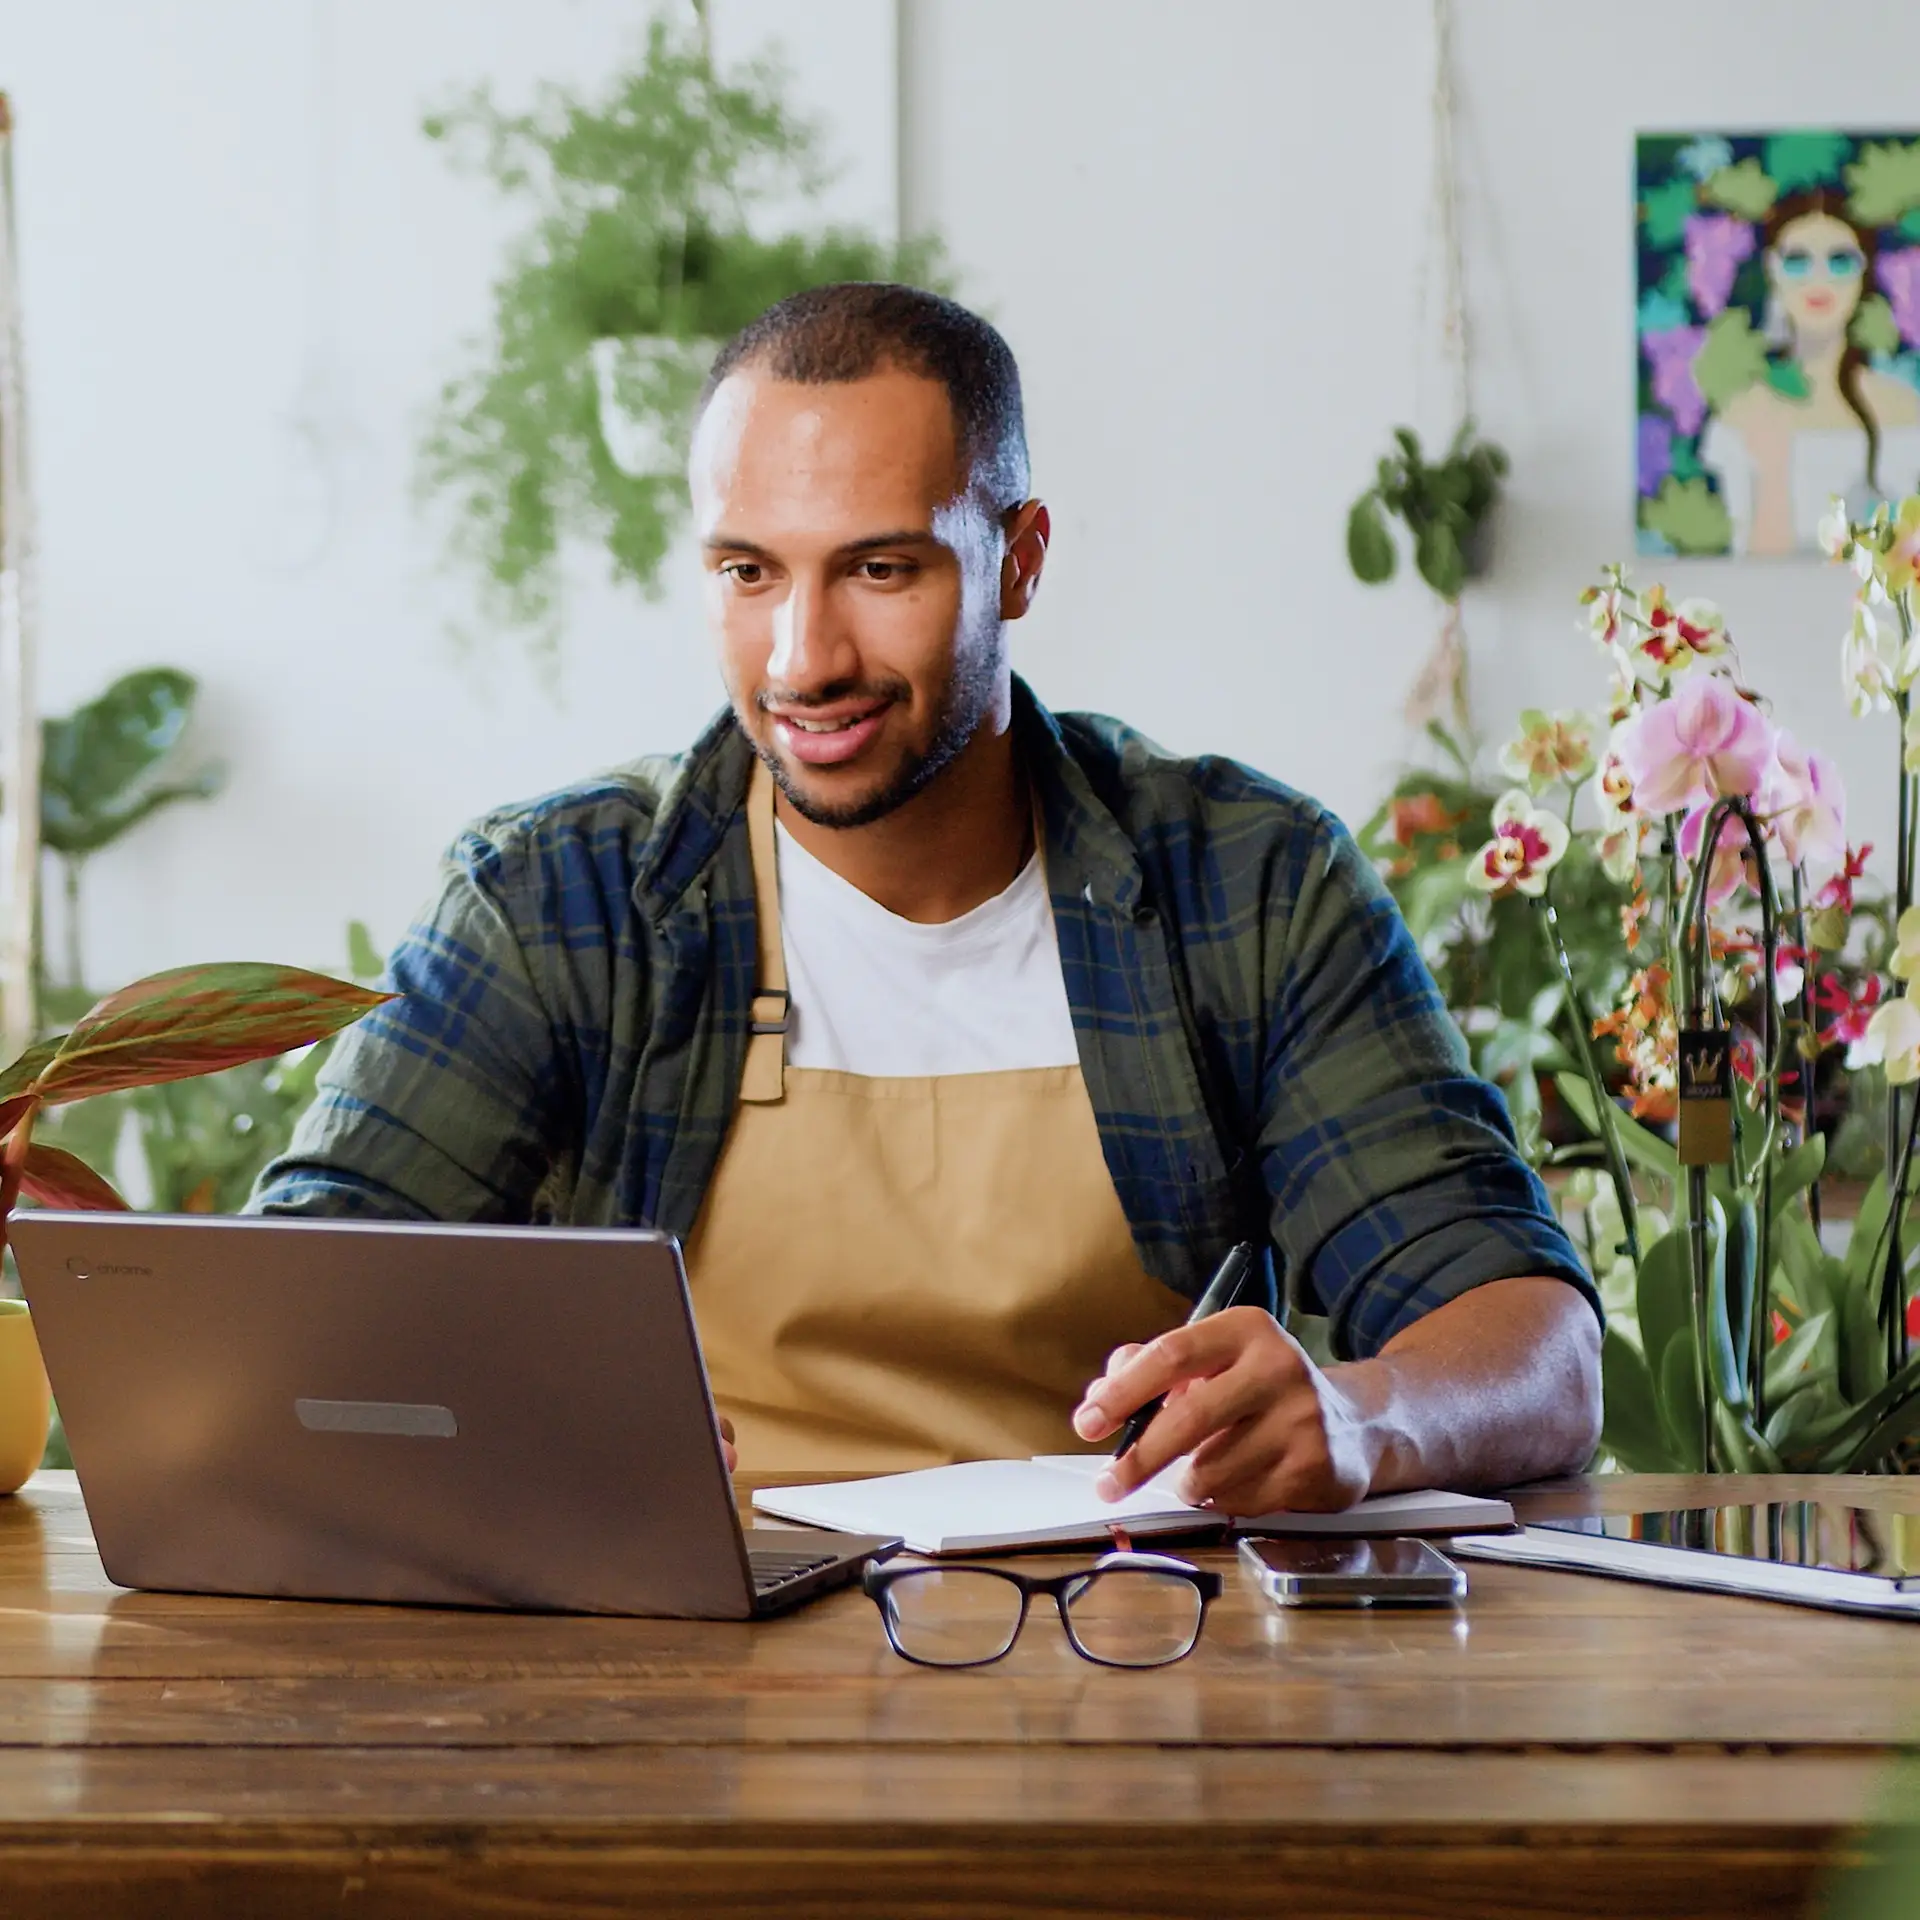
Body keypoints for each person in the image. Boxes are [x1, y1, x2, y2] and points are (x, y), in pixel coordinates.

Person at [251, 284, 1601, 1515]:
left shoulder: (1246, 885)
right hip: (680, 1681)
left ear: (1018, 560)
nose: (803, 656)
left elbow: (1535, 1347)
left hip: (1122, 1665)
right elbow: (289, 1318)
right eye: (748, 571)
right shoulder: (556, 902)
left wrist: (1366, 1416)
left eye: (881, 569)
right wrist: (512, 1419)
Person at [1703, 188, 1920, 555]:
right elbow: (1747, 563)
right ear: (1772, 269)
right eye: (1798, 261)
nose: (1818, 280)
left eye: (1839, 261)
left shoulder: (1904, 408)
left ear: (1864, 270)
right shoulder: (1742, 413)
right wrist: (1772, 470)